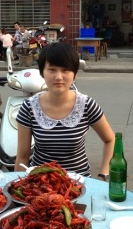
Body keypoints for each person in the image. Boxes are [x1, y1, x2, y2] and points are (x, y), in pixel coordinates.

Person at [15, 42, 115, 178]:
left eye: (65, 70)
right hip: (40, 185)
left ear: (74, 74)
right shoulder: (29, 107)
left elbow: (110, 140)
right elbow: (22, 157)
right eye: (52, 70)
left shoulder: (86, 105)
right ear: (42, 72)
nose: (59, 77)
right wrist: (18, 186)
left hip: (79, 184)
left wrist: (103, 174)